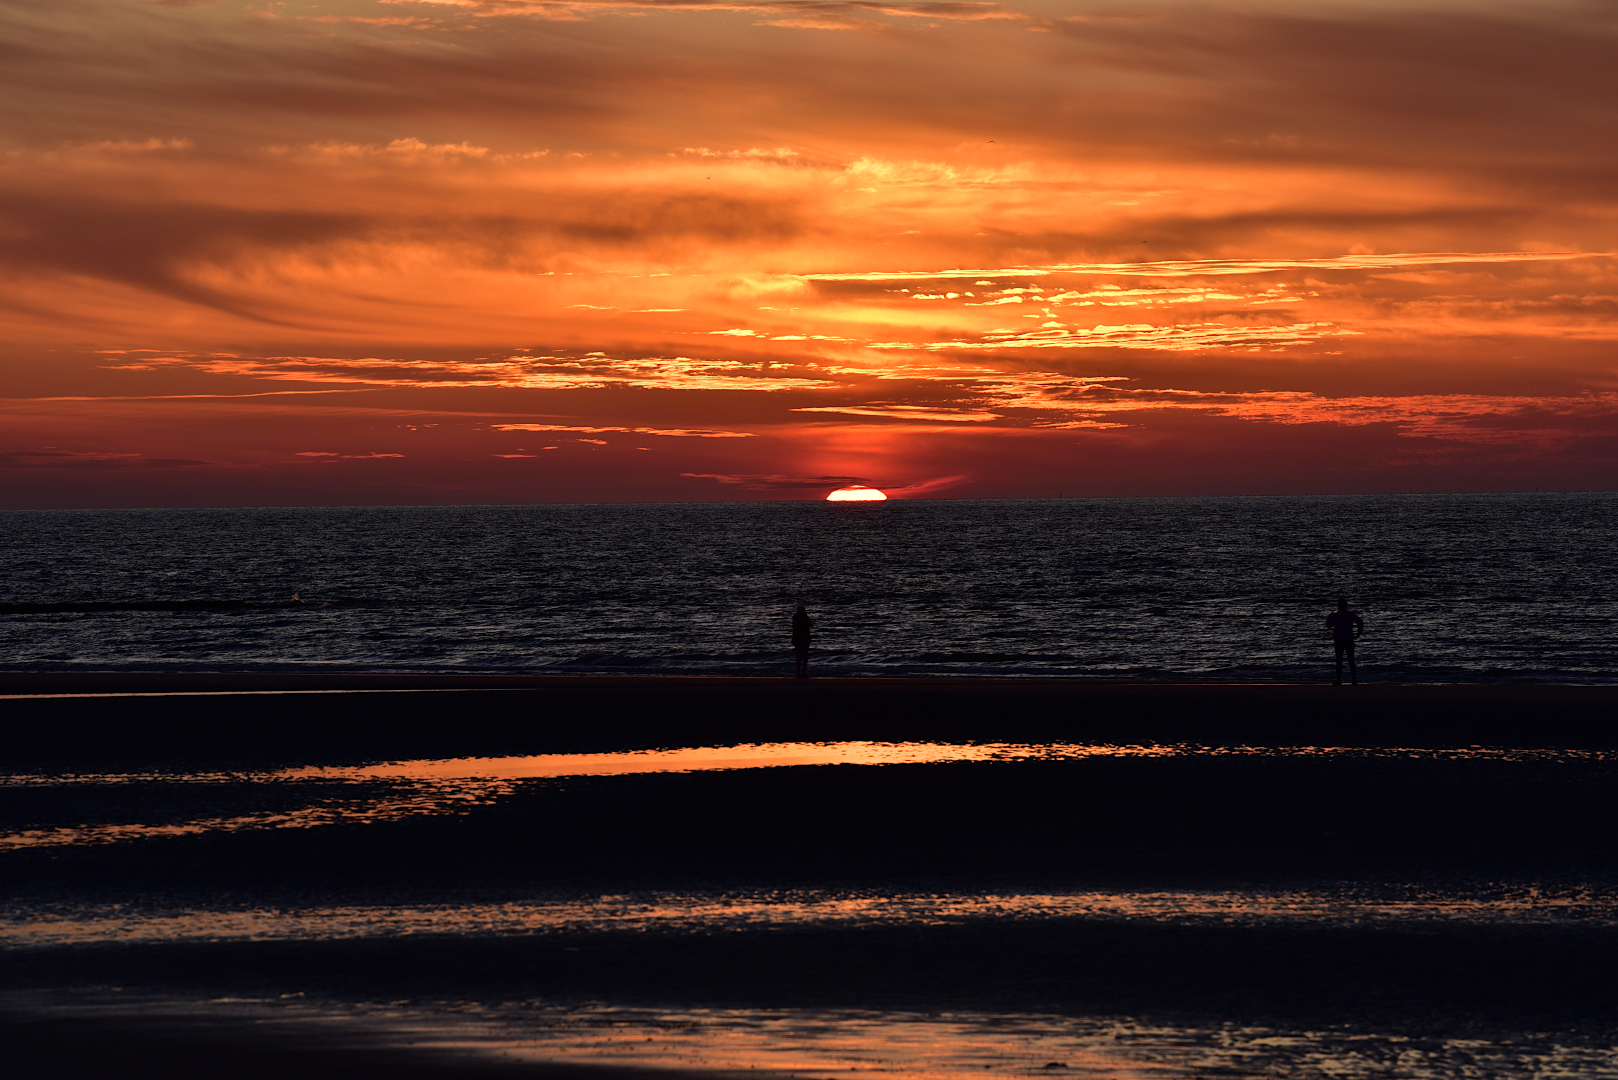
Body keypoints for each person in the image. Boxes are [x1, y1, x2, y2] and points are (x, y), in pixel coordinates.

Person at [1326, 596, 1364, 686]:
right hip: (1349, 639)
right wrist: (1358, 634)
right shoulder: (1350, 615)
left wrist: (1329, 617)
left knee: (1339, 660)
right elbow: (1360, 623)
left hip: (1339, 639)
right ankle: (1354, 679)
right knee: (1351, 659)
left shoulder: (1336, 616)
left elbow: (1328, 625)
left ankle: (1339, 679)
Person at [791, 603, 813, 679]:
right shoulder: (805, 618)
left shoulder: (795, 618)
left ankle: (798, 673)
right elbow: (811, 624)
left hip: (797, 639)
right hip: (805, 639)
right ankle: (804, 673)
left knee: (798, 657)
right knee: (804, 657)